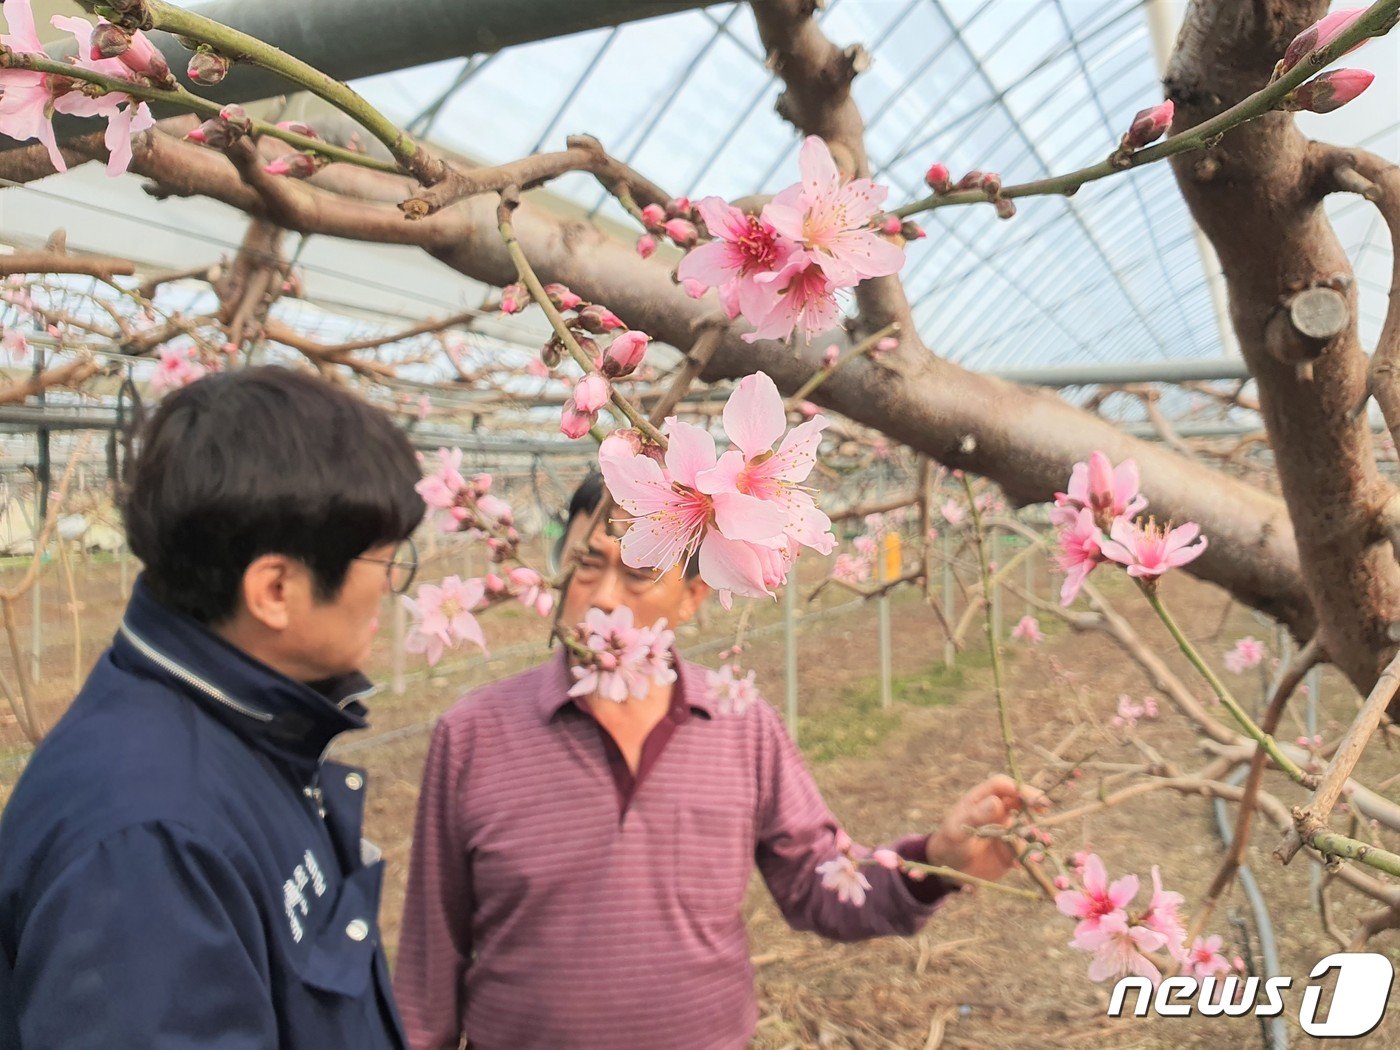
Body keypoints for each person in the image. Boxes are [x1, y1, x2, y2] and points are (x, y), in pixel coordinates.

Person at [395, 472, 1042, 1050]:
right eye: (585, 565)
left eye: (640, 572)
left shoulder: (740, 725)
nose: (602, 599)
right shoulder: (474, 734)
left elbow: (819, 882)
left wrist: (935, 864)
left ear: (694, 597)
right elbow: (431, 952)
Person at [0, 367, 423, 1048]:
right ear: (276, 589)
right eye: (386, 564)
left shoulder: (240, 741)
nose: (390, 593)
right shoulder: (147, 848)